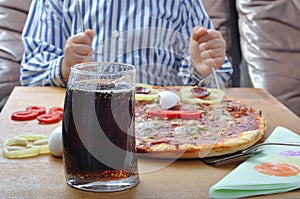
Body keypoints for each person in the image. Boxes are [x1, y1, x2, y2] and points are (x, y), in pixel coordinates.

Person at [21, 0, 233, 87]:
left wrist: (201, 69)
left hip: (164, 127)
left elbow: (215, 73)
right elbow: (30, 73)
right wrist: (66, 68)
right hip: (82, 123)